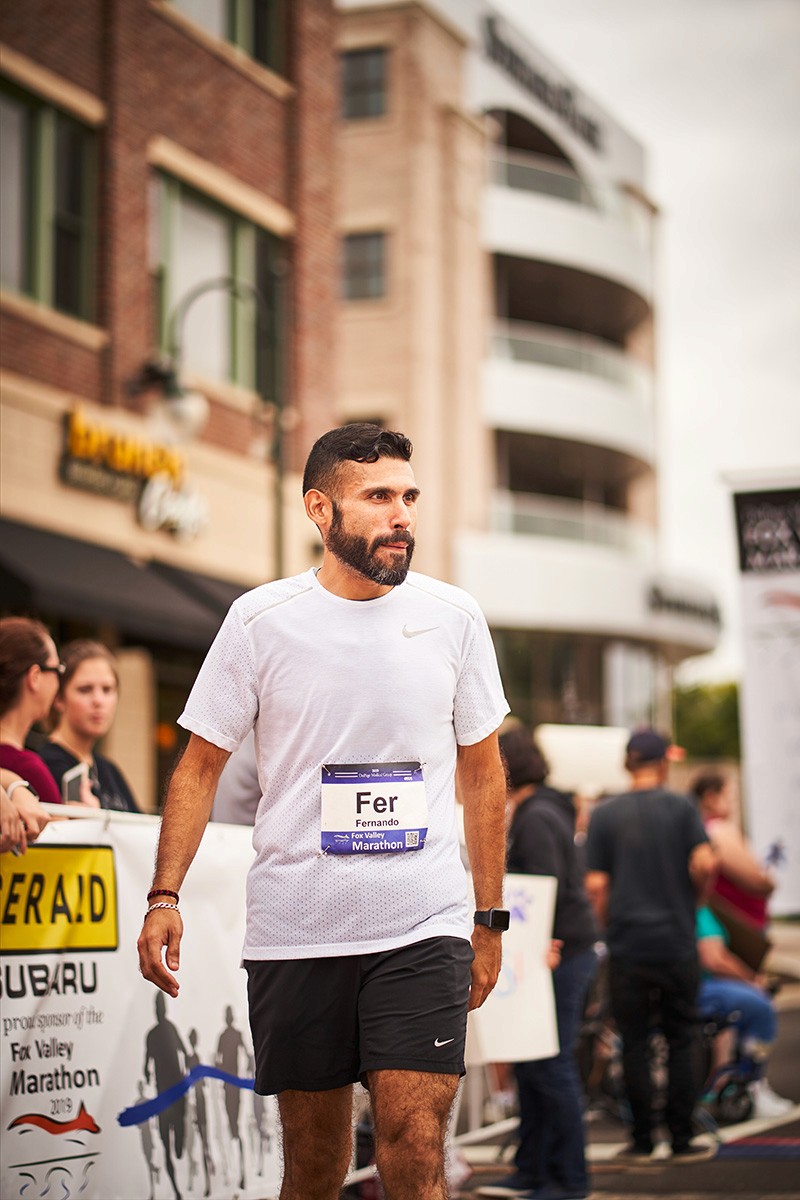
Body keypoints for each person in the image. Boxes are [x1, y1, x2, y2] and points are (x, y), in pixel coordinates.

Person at [137, 423, 510, 1200]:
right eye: (377, 497)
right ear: (319, 509)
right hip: (298, 929)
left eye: (408, 496)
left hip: (422, 925)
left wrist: (490, 918)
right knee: (315, 1166)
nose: (401, 514)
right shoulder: (258, 620)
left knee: (413, 1144)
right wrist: (164, 893)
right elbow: (200, 765)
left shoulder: (454, 618)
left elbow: (482, 775)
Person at [585, 728, 718, 1165]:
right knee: (682, 1036)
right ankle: (681, 1137)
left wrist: (612, 924)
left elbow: (597, 886)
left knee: (636, 1041)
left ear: (628, 764)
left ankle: (643, 1139)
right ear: (663, 764)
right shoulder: (682, 808)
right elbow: (704, 863)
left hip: (628, 943)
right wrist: (693, 899)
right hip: (676, 941)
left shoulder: (605, 814)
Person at [477, 727, 598, 1200]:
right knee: (533, 1061)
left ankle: (568, 1178)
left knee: (549, 1063)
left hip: (560, 952)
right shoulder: (543, 810)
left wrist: (543, 941)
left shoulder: (536, 816)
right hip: (557, 949)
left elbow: (540, 889)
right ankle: (533, 1169)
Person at [695, 905, 792, 1119]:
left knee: (737, 1013)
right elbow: (713, 959)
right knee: (759, 1005)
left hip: (682, 987)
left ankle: (726, 1082)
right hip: (697, 988)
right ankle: (751, 1084)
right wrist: (753, 981)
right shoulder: (694, 908)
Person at [39, 639, 141, 812]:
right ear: (59, 698)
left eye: (107, 689)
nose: (98, 701)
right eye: (85, 689)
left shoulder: (109, 770)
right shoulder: (45, 765)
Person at [691, 771, 774, 931]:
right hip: (741, 922)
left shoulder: (699, 829)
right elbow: (754, 879)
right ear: (711, 797)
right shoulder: (719, 830)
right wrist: (770, 884)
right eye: (729, 796)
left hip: (723, 921)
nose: (733, 803)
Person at [0, 616, 67, 808]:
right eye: (57, 670)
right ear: (35, 677)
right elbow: (61, 832)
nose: (58, 683)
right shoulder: (27, 768)